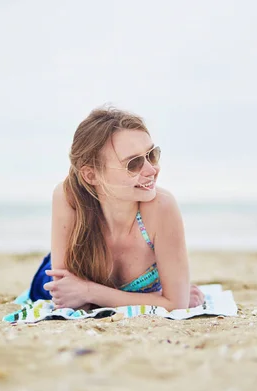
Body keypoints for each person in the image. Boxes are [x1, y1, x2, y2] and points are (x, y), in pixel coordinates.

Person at [28, 107, 204, 311]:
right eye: (133, 163)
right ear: (91, 175)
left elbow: (175, 304)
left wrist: (88, 291)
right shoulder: (68, 197)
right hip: (47, 283)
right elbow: (70, 302)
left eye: (151, 155)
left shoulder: (162, 206)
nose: (151, 169)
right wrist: (156, 299)